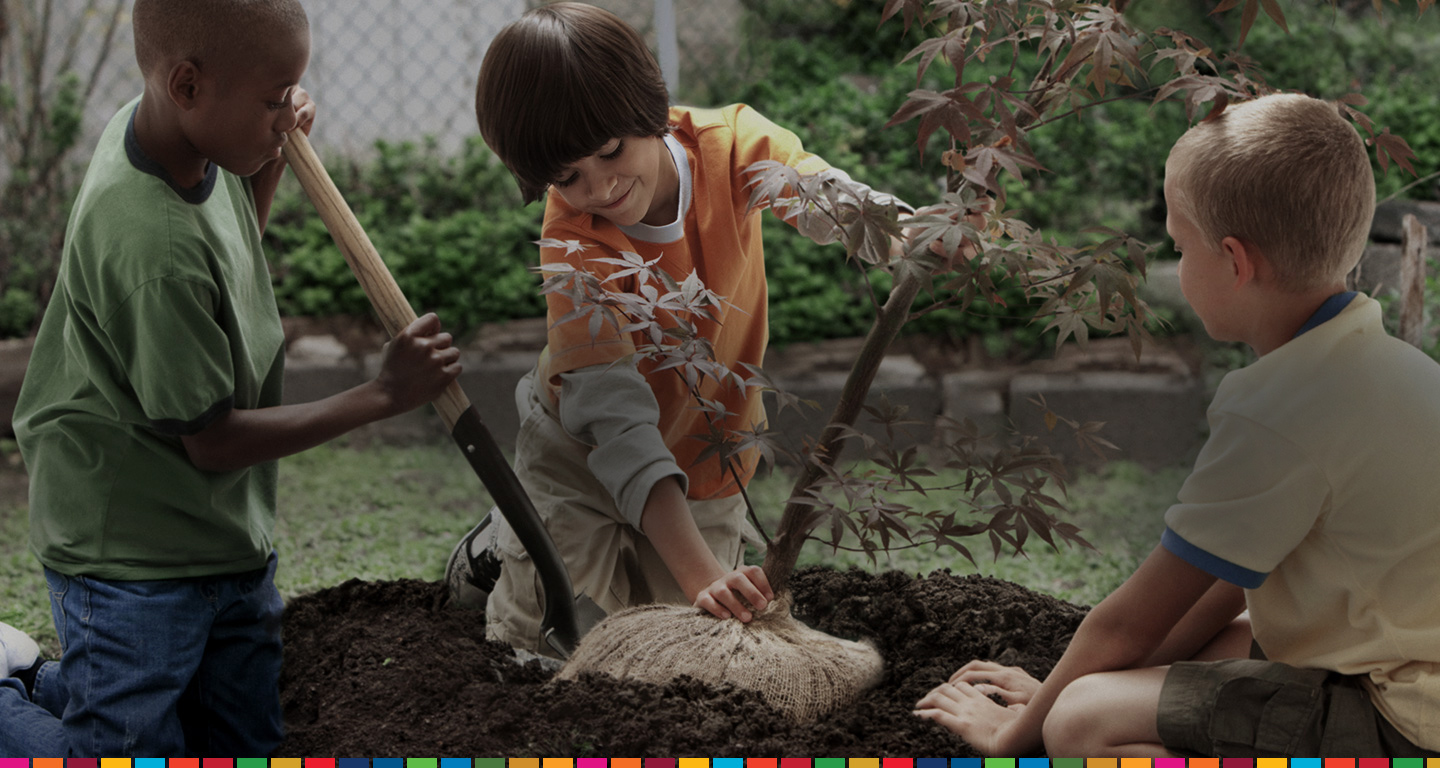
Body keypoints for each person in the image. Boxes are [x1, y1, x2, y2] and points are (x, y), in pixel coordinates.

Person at [913, 92, 1440, 757]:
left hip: (1408, 720)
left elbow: (1127, 626)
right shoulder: (1388, 365)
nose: (1178, 267)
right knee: (1223, 637)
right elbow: (1224, 585)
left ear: (1233, 261)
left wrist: (1021, 730)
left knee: (1078, 720)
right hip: (1406, 659)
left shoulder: (1279, 413)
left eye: (1180, 247)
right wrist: (1080, 677)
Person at [2, 0, 462, 756]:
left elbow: (231, 232)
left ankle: (68, 688)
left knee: (241, 743)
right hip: (130, 553)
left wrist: (270, 155)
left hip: (220, 537)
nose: (288, 116)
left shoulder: (187, 139)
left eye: (291, 95)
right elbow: (212, 442)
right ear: (187, 84)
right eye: (274, 99)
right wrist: (380, 396)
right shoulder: (147, 241)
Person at [446, 2, 913, 657]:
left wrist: (904, 237)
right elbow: (615, 421)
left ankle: (522, 537)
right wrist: (703, 577)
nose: (600, 186)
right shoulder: (573, 242)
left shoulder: (730, 147)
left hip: (705, 460)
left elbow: (818, 192)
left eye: (611, 151)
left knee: (681, 642)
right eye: (567, 176)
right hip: (577, 456)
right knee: (548, 638)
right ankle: (504, 547)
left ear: (650, 111)